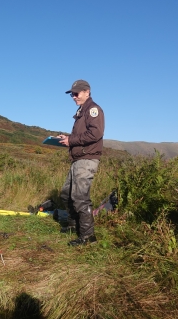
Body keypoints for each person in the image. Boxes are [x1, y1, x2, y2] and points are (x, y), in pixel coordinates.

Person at [57, 79, 105, 247]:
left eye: (76, 93)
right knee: (66, 193)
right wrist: (67, 139)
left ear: (87, 92)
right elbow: (82, 136)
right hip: (78, 159)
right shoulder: (81, 111)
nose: (73, 97)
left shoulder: (93, 110)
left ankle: (88, 236)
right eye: (72, 94)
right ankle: (73, 225)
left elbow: (95, 134)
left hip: (87, 159)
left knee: (80, 197)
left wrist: (72, 140)